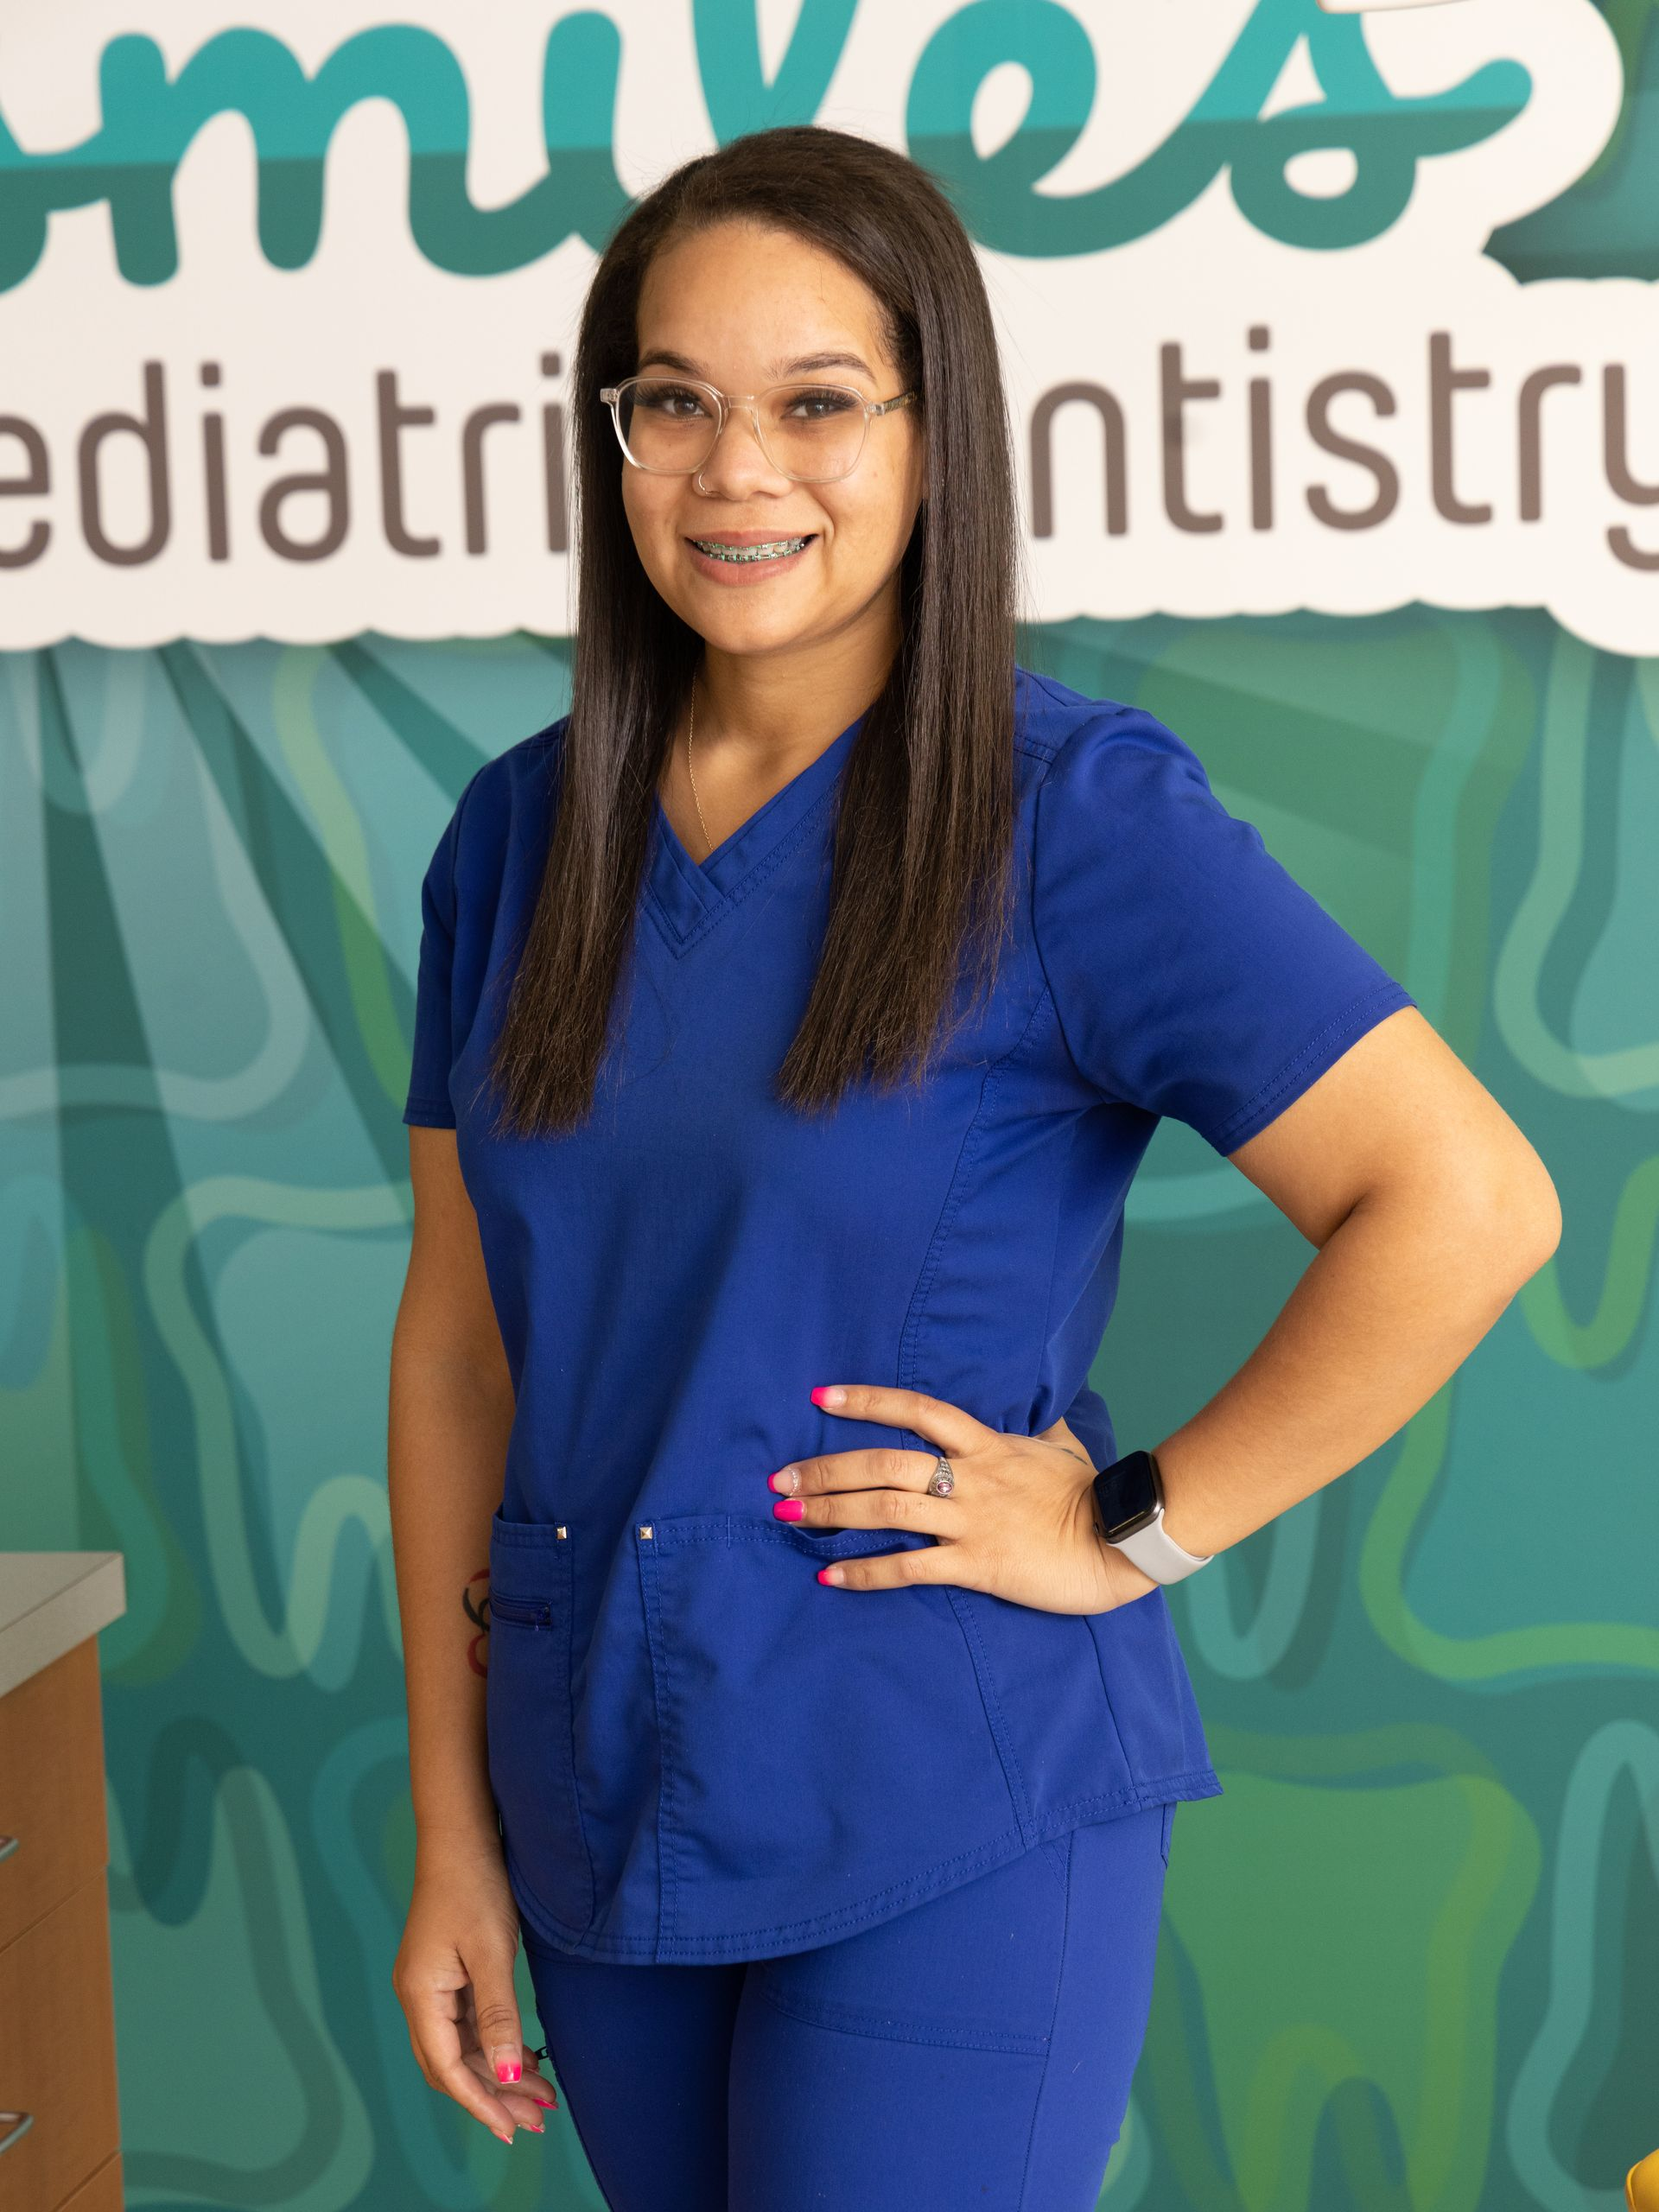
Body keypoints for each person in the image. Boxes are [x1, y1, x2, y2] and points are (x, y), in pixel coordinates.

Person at [387, 124, 1560, 2212]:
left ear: (938, 437)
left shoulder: (1074, 817)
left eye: (819, 404)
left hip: (951, 1785)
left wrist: (1135, 1523)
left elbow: (1467, 1197)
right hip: (596, 1795)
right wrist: (452, 1825)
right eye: (675, 402)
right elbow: (463, 1344)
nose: (739, 473)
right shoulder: (512, 837)